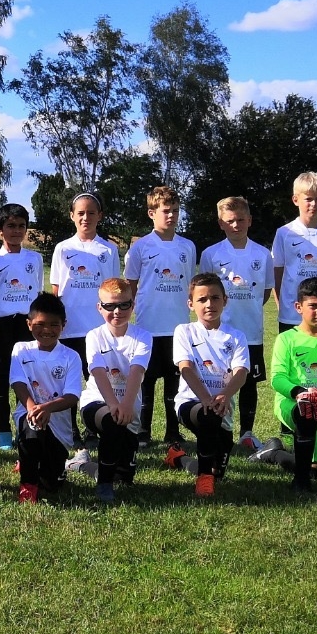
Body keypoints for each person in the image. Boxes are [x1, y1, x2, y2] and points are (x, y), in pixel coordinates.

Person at [260, 277, 317, 491]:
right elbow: (278, 378)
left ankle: (274, 453)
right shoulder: (286, 339)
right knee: (307, 412)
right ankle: (301, 481)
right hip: (291, 402)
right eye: (313, 306)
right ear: (298, 307)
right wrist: (301, 393)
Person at [123, 185, 195, 463]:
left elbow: (189, 285)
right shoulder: (140, 247)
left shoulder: (187, 246)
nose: (172, 215)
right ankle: (143, 430)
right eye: (166, 210)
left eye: (176, 210)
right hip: (148, 326)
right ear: (152, 213)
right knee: (147, 382)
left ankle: (173, 431)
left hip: (177, 327)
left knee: (174, 383)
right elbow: (130, 286)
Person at [48, 190, 119, 472]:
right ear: (72, 216)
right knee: (68, 383)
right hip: (69, 329)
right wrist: (57, 323)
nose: (85, 217)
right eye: (80, 213)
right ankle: (71, 432)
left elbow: (112, 290)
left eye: (91, 213)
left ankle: (94, 429)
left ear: (99, 216)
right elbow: (56, 289)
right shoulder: (62, 248)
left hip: (98, 329)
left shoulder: (108, 250)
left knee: (98, 381)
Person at [197, 196, 273, 451]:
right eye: (230, 221)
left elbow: (264, 292)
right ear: (221, 223)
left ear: (249, 220)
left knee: (249, 382)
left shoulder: (262, 254)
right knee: (220, 379)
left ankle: (247, 432)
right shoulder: (211, 254)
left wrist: (247, 306)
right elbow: (205, 290)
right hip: (220, 332)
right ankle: (218, 425)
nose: (236, 225)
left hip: (251, 331)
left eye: (241, 219)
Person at [173, 273, 250, 500]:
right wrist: (206, 399)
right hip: (191, 403)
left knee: (219, 471)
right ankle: (203, 478)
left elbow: (241, 373)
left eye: (215, 298)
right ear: (191, 304)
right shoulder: (184, 331)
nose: (209, 304)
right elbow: (186, 368)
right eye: (202, 299)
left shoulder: (236, 336)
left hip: (222, 407)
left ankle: (178, 458)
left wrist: (224, 395)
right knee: (208, 416)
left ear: (225, 300)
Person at [77, 277, 151, 504]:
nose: (117, 311)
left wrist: (126, 405)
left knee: (124, 477)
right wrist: (113, 405)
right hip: (97, 404)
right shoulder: (94, 336)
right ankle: (104, 485)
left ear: (133, 305)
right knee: (111, 422)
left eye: (123, 305)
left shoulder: (143, 337)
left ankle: (81, 465)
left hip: (128, 409)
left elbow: (137, 371)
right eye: (109, 306)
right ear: (99, 308)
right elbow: (98, 372)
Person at [0, 202, 44, 451]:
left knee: (28, 378)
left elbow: (37, 290)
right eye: (10, 226)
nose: (16, 231)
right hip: (2, 326)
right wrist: (7, 306)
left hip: (27, 326)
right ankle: (3, 432)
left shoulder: (35, 258)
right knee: (1, 379)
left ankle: (25, 428)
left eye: (21, 226)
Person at [9, 292, 82, 504]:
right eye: (40, 324)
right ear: (29, 324)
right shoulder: (21, 349)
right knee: (32, 428)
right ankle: (28, 487)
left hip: (58, 428)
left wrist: (47, 408)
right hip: (29, 413)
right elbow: (18, 383)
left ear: (63, 325)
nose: (47, 330)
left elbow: (72, 396)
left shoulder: (71, 356)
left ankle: (42, 465)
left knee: (51, 484)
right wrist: (33, 408)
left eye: (54, 325)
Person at [271, 171, 317, 333]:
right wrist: (282, 305)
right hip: (292, 314)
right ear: (296, 200)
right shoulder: (284, 233)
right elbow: (277, 273)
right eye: (308, 199)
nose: (313, 204)